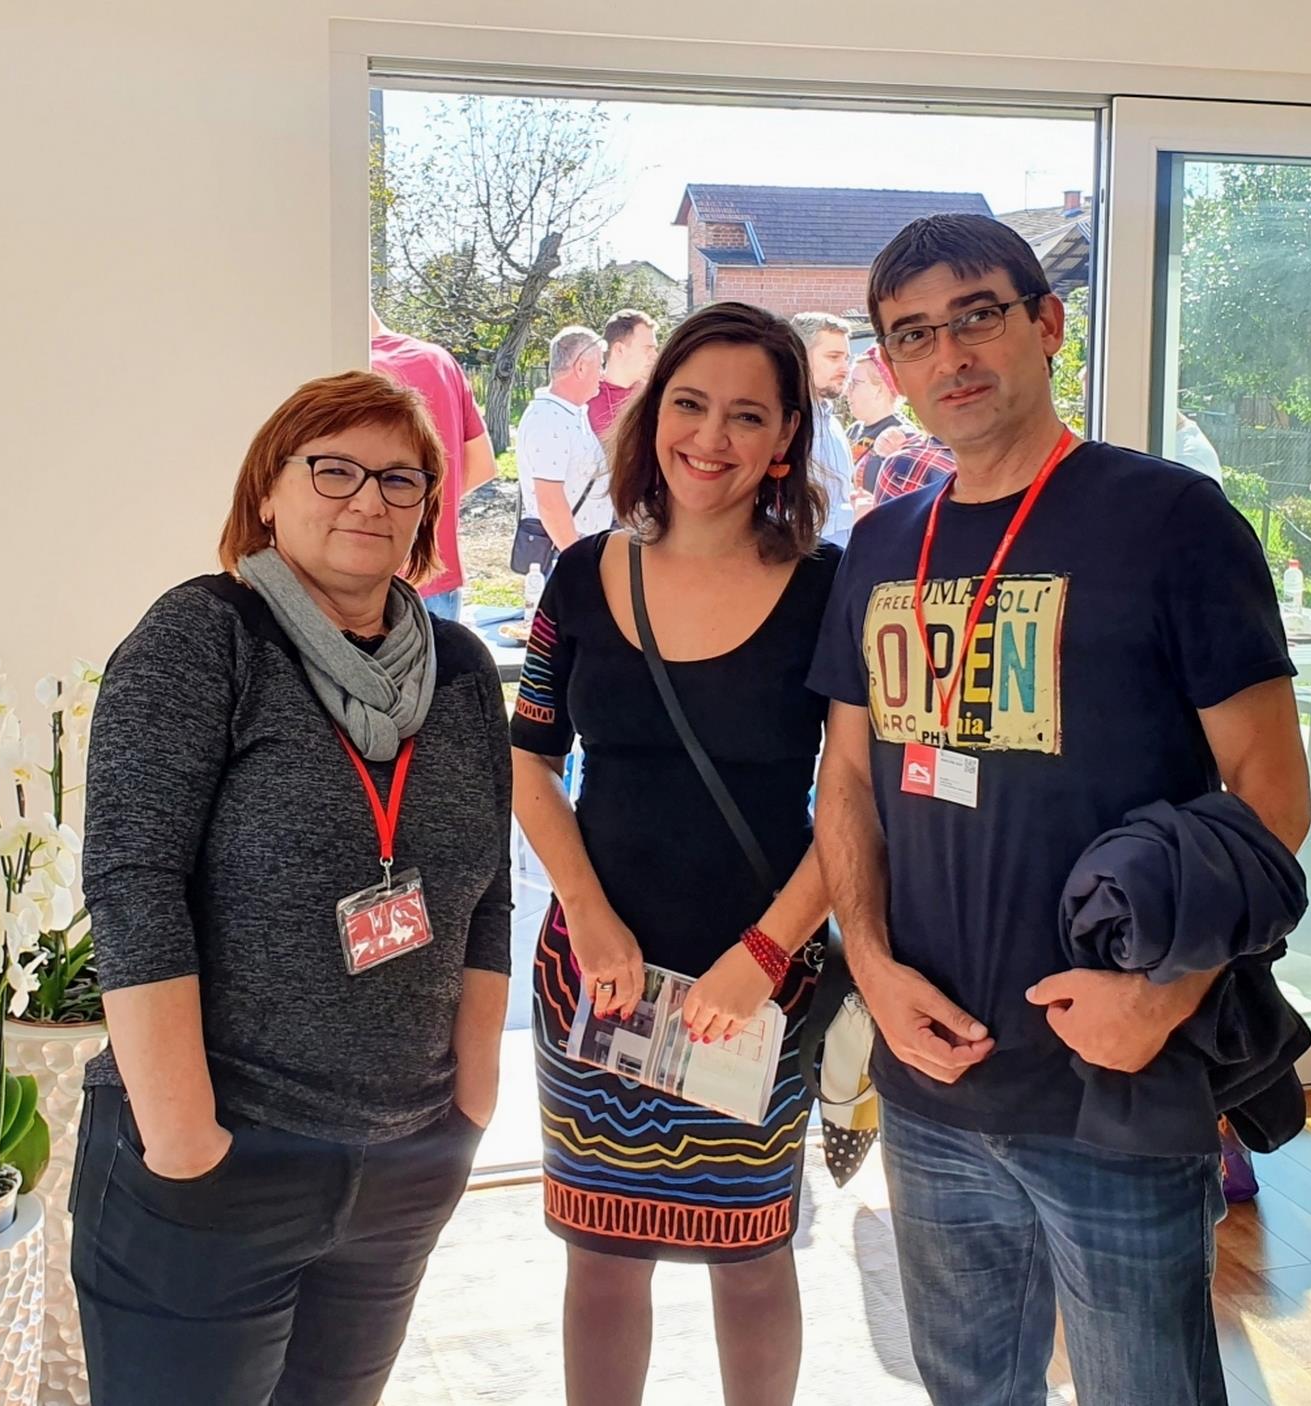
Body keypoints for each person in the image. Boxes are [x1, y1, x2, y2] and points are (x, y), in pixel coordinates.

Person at [809, 214, 1311, 1406]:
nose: (950, 354)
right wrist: (869, 967)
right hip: (930, 1078)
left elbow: (1272, 795)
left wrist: (1163, 995)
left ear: (1045, 324)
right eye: (913, 334)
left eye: (977, 315)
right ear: (890, 367)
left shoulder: (1171, 521)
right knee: (971, 1388)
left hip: (1115, 1084)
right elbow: (847, 780)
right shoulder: (880, 545)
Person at [74, 370, 514, 1406]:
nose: (368, 498)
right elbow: (134, 883)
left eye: (399, 479)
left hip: (404, 1165)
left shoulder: (458, 669)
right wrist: (184, 1135)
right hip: (222, 1156)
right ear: (268, 490)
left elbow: (487, 892)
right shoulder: (203, 636)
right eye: (334, 469)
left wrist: (472, 1100)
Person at [512, 302, 840, 1406]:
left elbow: (856, 805)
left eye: (747, 414)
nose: (710, 436)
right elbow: (529, 760)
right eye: (689, 404)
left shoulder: (828, 590)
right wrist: (587, 915)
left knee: (752, 1255)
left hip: (760, 982)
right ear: (652, 417)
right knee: (602, 1257)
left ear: (785, 438)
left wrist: (765, 952)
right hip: (595, 978)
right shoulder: (580, 575)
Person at [371, 308, 501, 620]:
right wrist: (423, 504)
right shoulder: (439, 360)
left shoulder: (351, 367)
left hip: (371, 588)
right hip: (438, 576)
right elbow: (483, 465)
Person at [518, 326, 614, 567]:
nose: (602, 375)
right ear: (580, 367)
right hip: (564, 557)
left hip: (573, 550)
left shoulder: (568, 413)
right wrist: (579, 563)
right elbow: (550, 503)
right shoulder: (548, 419)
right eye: (600, 365)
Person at [844, 346, 957, 512]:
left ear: (880, 388)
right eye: (848, 383)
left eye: (855, 383)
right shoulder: (853, 430)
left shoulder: (901, 437)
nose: (846, 391)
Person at [789, 311, 860, 546]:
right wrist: (853, 514)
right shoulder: (783, 426)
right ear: (800, 356)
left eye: (846, 358)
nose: (845, 368)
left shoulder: (832, 423)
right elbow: (777, 514)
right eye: (833, 357)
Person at [587, 308, 661, 444]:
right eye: (647, 348)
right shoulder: (584, 399)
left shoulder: (656, 398)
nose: (655, 356)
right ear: (619, 349)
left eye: (654, 348)